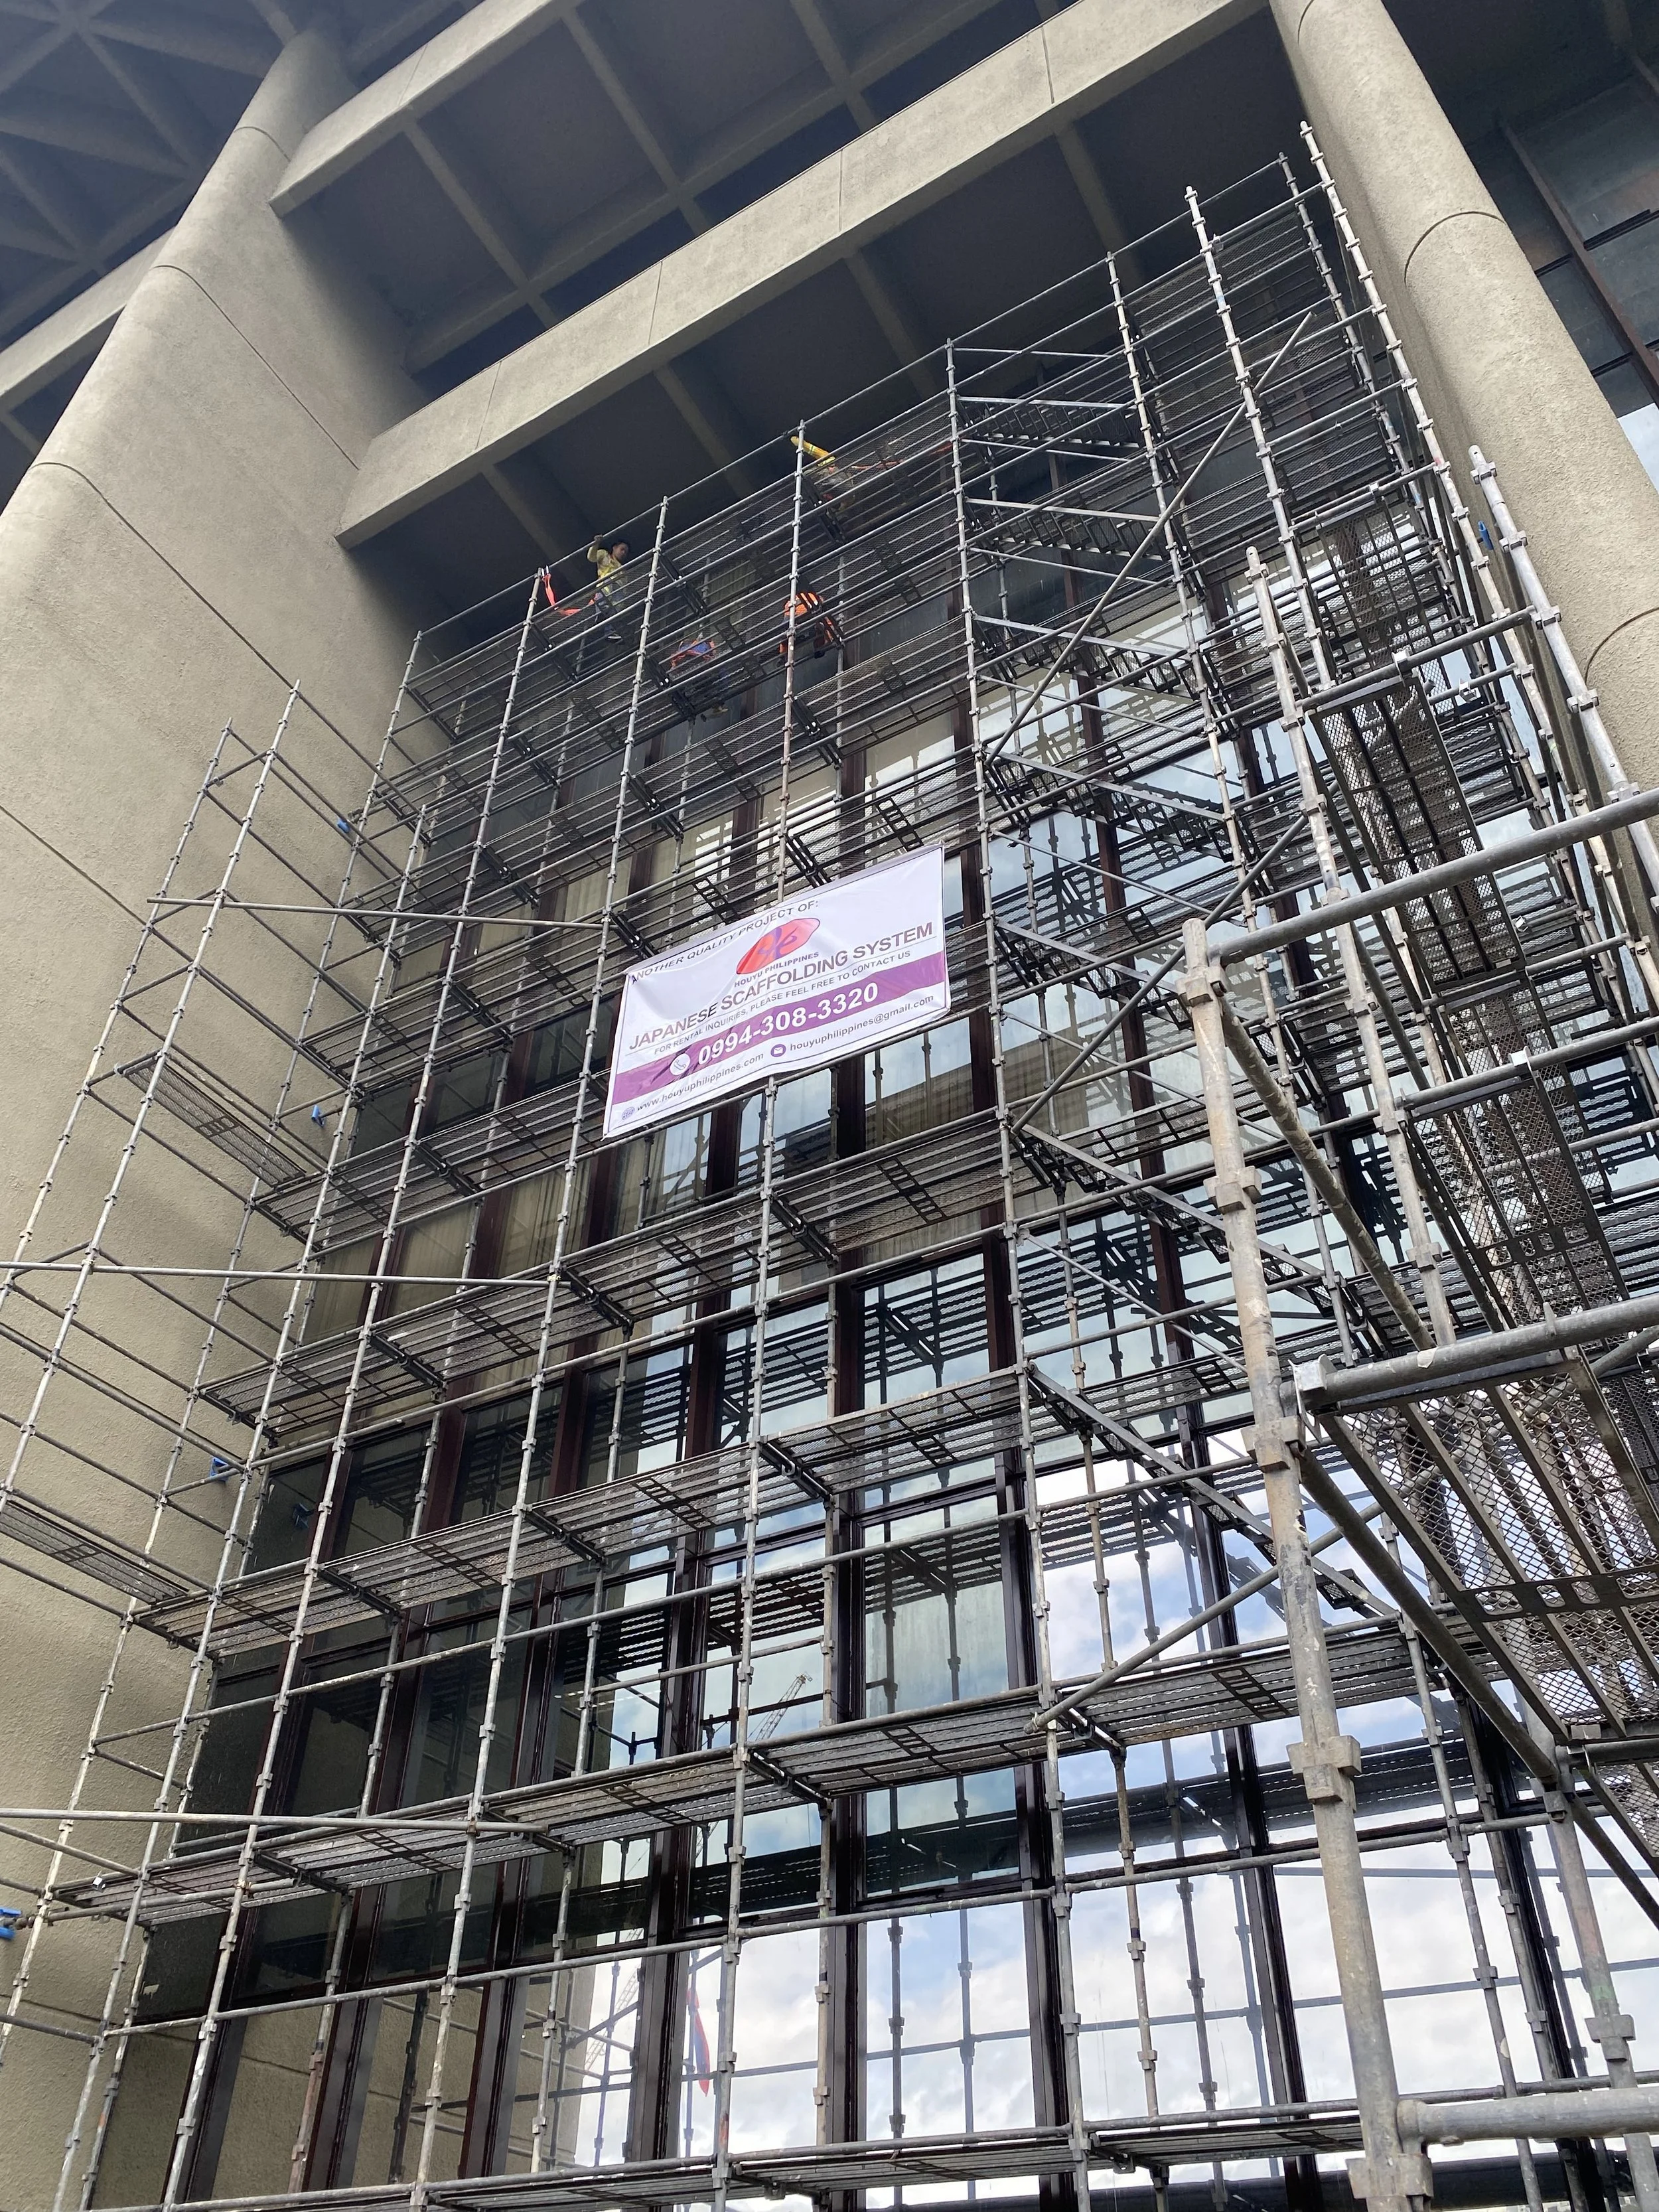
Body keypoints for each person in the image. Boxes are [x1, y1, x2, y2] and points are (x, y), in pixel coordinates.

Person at [782, 586, 841, 659]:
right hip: (810, 612)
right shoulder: (811, 596)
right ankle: (783, 655)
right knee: (819, 626)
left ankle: (783, 656)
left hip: (805, 614)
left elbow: (786, 623)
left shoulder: (790, 603)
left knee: (785, 632)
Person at [588, 537, 628, 613]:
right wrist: (596, 544)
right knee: (607, 586)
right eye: (622, 549)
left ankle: (611, 616)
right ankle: (602, 611)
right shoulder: (604, 555)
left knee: (616, 607)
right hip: (606, 585)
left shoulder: (623, 569)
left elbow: (625, 586)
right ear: (615, 548)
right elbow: (591, 558)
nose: (623, 553)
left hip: (618, 589)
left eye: (625, 552)